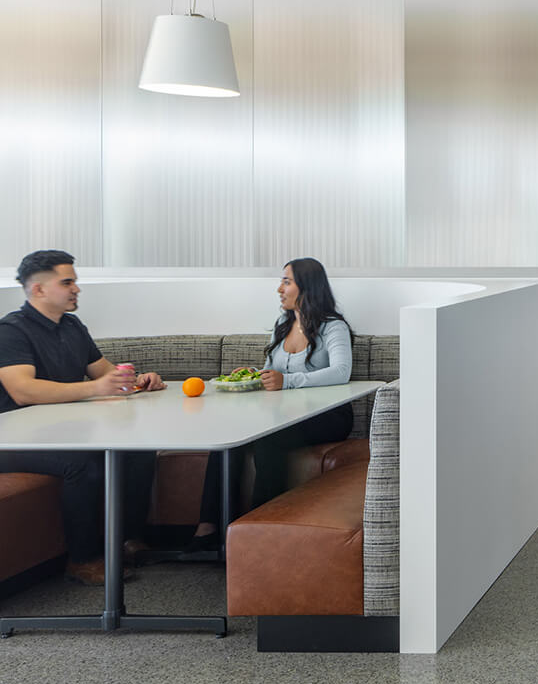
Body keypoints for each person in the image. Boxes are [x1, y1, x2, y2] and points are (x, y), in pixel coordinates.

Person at [0, 250, 164, 586]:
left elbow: (106, 374)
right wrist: (96, 389)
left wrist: (136, 382)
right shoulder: (10, 331)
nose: (77, 288)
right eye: (67, 282)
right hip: (15, 438)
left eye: (75, 281)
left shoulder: (72, 326)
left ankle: (126, 541)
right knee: (82, 464)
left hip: (63, 431)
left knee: (139, 450)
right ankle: (82, 559)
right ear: (38, 290)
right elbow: (23, 391)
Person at [191, 257, 353, 547]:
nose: (280, 289)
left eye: (286, 282)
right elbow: (271, 368)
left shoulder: (333, 327)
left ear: (307, 287)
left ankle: (258, 532)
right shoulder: (282, 323)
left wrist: (288, 381)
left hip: (327, 415)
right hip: (283, 412)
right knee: (228, 438)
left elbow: (342, 372)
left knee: (269, 441)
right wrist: (257, 376)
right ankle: (209, 527)